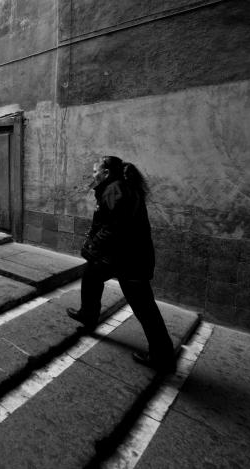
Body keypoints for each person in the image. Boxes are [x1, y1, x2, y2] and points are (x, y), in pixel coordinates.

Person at [67, 156, 176, 372]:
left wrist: (93, 246)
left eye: (96, 170)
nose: (93, 174)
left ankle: (162, 355)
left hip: (130, 258)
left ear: (106, 173)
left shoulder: (115, 190)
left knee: (144, 306)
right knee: (91, 275)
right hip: (120, 255)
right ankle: (88, 315)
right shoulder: (116, 188)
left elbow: (116, 226)